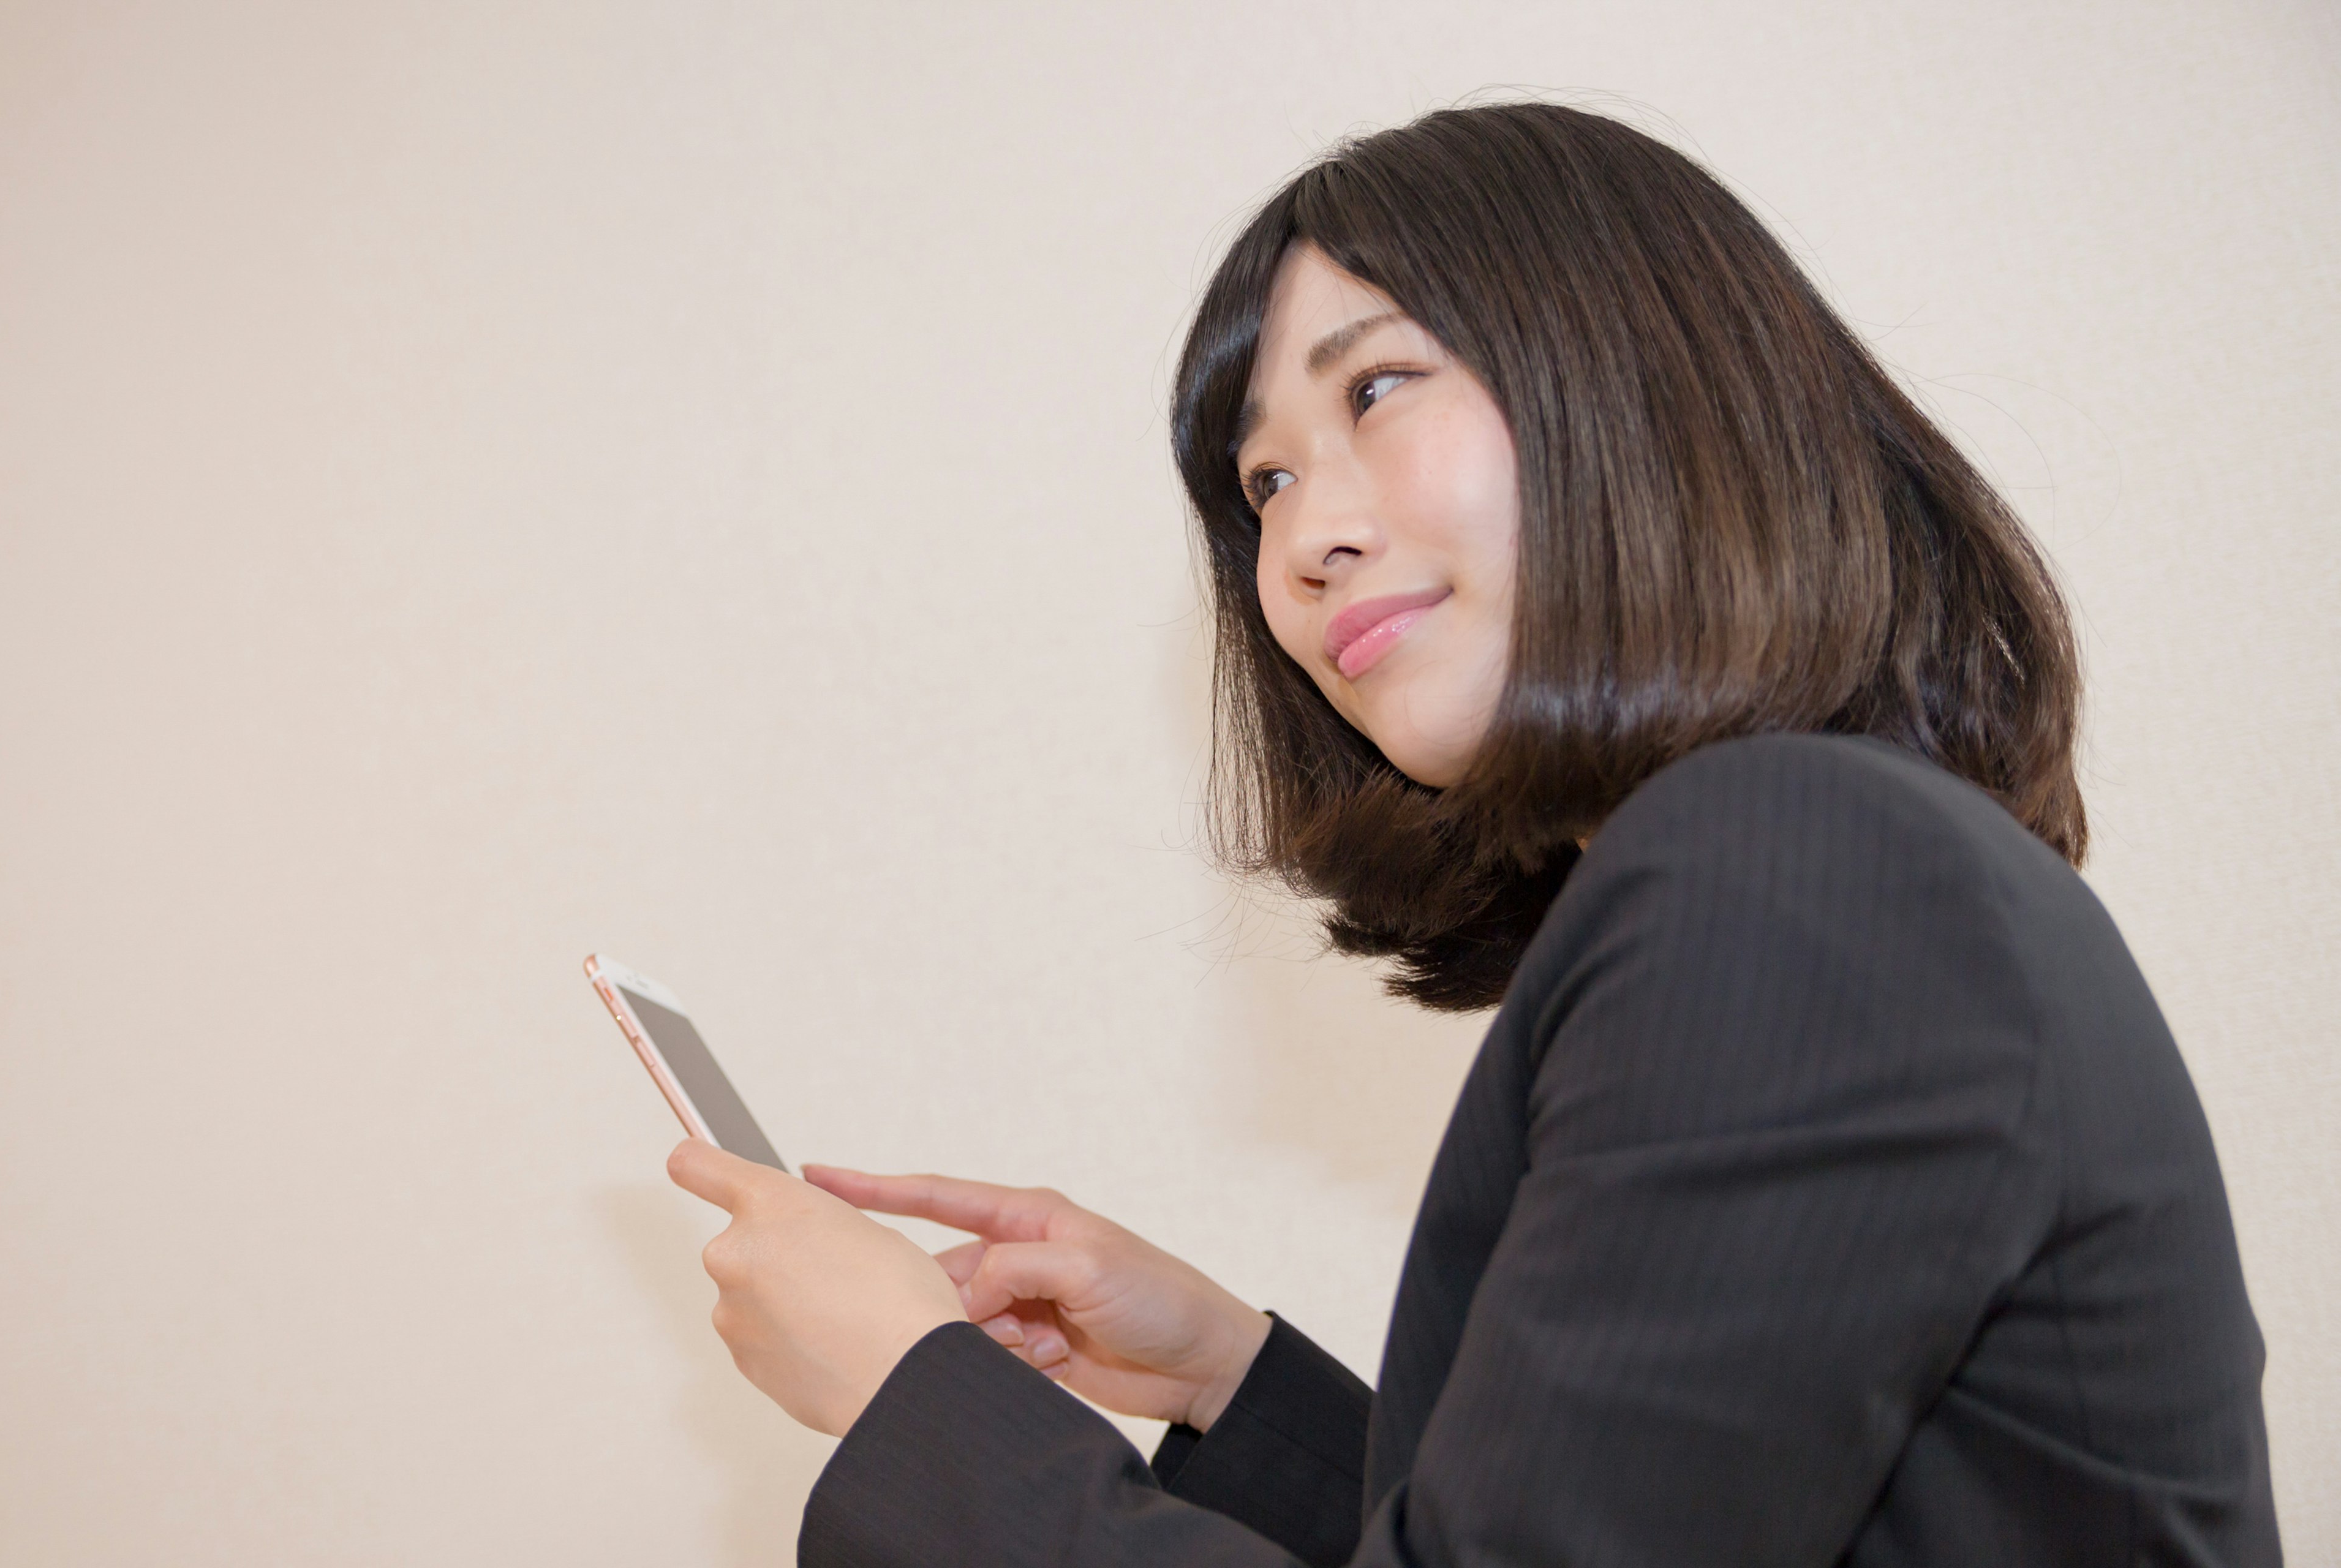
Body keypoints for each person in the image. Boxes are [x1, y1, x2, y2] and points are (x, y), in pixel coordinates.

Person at [663, 102, 2282, 1565]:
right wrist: (1230, 1376)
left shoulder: (1792, 870)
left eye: (1374, 391)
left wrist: (910, 1399)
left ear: (1642, 381)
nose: (1301, 540)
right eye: (1265, 485)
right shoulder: (1812, 862)